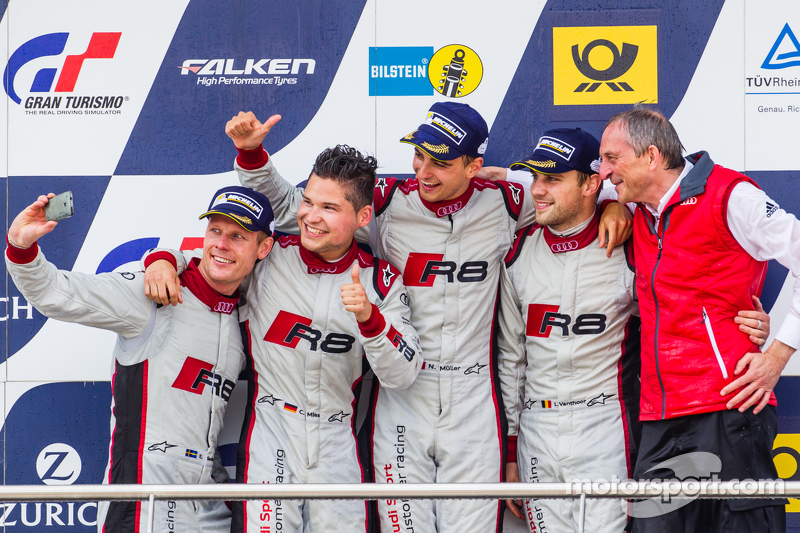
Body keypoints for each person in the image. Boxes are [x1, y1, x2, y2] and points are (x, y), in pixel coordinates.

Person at [223, 103, 633, 533]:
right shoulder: (384, 203)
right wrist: (253, 158)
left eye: (440, 161)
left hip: (474, 397)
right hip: (403, 396)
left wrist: (612, 204)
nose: (424, 171)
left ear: (474, 166)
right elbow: (297, 209)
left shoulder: (509, 203)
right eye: (419, 156)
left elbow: (569, 201)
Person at [495, 128, 772, 533]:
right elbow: (510, 358)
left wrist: (744, 321)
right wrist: (512, 446)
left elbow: (682, 306)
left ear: (592, 183)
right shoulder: (518, 250)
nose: (538, 189)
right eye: (536, 178)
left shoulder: (634, 242)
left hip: (608, 426)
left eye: (552, 179)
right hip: (537, 431)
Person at [143, 145, 423, 533]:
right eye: (307, 201)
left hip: (337, 443)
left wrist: (368, 318)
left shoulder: (381, 279)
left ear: (361, 217)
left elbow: (404, 374)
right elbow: (212, 263)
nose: (310, 216)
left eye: (329, 207)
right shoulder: (270, 257)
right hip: (271, 432)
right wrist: (163, 258)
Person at [6, 187, 275, 533]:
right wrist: (20, 246)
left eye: (238, 236)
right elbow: (54, 293)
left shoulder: (247, 317)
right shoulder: (151, 293)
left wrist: (165, 255)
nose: (221, 245)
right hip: (143, 500)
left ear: (263, 248)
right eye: (215, 231)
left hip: (209, 504)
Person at [598, 108, 800, 532]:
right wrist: (611, 209)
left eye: (612, 159)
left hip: (728, 406)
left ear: (651, 157)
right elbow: (550, 191)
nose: (603, 172)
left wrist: (777, 356)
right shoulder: (636, 210)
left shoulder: (730, 195)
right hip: (659, 414)